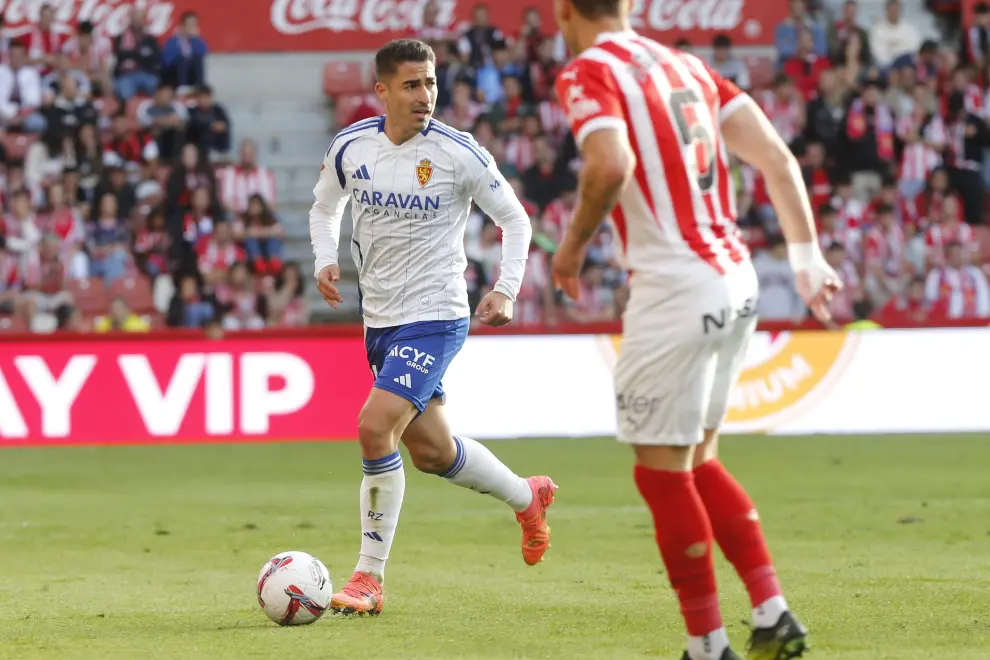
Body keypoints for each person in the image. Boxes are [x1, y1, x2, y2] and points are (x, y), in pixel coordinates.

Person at [548, 2, 842, 659]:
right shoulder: (688, 66)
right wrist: (806, 259)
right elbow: (776, 157)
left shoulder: (589, 70)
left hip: (675, 287)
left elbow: (608, 165)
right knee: (699, 460)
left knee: (661, 474)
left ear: (564, 10)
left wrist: (570, 251)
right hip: (736, 279)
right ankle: (771, 613)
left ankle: (706, 644)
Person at [308, 39, 557, 617]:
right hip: (380, 320)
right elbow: (324, 207)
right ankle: (527, 497)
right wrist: (324, 258)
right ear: (382, 91)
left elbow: (516, 220)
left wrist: (506, 288)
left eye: (431, 83)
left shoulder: (457, 153)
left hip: (437, 315)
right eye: (412, 85)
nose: (425, 95)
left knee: (375, 428)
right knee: (432, 452)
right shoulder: (351, 146)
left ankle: (369, 578)